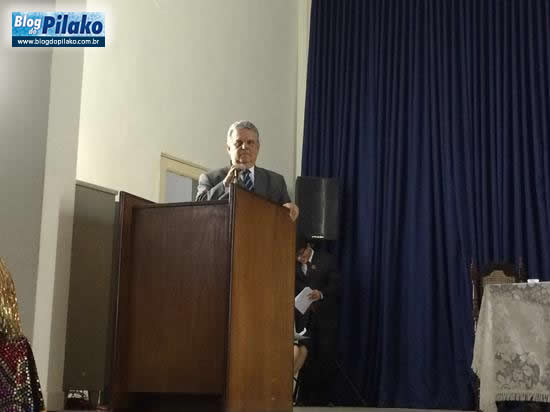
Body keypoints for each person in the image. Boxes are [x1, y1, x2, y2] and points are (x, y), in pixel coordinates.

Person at [195, 120, 299, 221]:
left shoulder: (276, 181)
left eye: (250, 142)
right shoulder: (210, 178)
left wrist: (291, 209)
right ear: (228, 148)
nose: (244, 147)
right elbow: (197, 210)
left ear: (258, 147)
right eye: (238, 143)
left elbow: (287, 217)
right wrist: (225, 184)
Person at [294, 241, 340, 406]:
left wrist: (321, 294)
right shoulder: (294, 264)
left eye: (302, 253)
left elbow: (336, 285)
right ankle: (303, 399)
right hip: (303, 319)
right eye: (297, 256)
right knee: (305, 356)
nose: (300, 258)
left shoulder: (326, 260)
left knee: (324, 357)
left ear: (308, 247)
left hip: (324, 318)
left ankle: (323, 399)